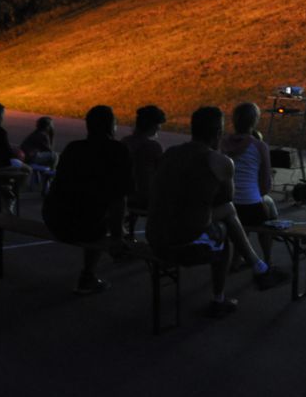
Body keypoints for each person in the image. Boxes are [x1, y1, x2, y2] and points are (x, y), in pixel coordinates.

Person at [146, 106, 288, 317]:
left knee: (223, 215)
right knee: (224, 229)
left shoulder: (171, 154)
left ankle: (258, 266)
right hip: (182, 244)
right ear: (218, 133)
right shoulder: (220, 162)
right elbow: (225, 199)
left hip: (155, 237)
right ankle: (221, 296)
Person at [43, 105, 134, 294]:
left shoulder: (73, 148)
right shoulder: (118, 150)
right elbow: (119, 198)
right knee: (99, 218)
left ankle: (89, 274)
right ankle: (88, 275)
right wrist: (117, 236)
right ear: (111, 126)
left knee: (93, 211)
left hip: (54, 219)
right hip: (81, 226)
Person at [221, 102, 278, 265]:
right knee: (267, 220)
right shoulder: (259, 146)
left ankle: (236, 259)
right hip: (249, 205)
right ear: (254, 121)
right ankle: (267, 259)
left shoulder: (223, 143)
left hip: (227, 204)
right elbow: (266, 185)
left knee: (243, 219)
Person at [120, 105, 165, 238]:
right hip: (145, 199)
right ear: (152, 126)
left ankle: (129, 229)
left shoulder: (124, 142)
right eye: (158, 125)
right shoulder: (153, 147)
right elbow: (161, 174)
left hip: (125, 196)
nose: (160, 128)